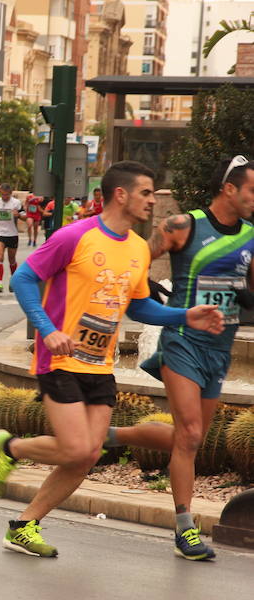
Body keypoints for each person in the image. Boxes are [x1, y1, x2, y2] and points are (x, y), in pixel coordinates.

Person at [0, 160, 224, 558]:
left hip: (100, 365)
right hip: (59, 359)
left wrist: (185, 316)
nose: (152, 201)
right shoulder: (74, 236)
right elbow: (24, 278)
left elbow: (141, 308)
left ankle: (24, 526)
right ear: (121, 194)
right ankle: (11, 449)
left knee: (88, 455)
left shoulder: (136, 249)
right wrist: (48, 329)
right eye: (146, 193)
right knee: (77, 450)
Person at [103, 156, 254, 561]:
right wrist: (142, 293)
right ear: (230, 189)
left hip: (221, 350)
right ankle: (185, 527)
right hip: (183, 340)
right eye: (252, 191)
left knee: (189, 440)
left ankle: (111, 438)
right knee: (187, 434)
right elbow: (139, 260)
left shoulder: (251, 235)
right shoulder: (183, 225)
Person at [0, 183, 24, 293]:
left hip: (12, 234)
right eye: (2, 195)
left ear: (10, 193)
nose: (4, 197)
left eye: (6, 195)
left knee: (11, 259)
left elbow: (25, 216)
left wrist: (18, 215)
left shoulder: (16, 203)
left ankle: (13, 281)